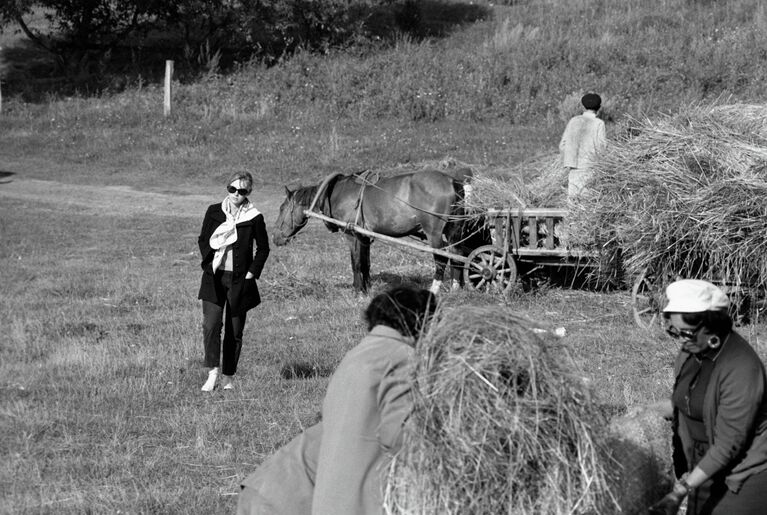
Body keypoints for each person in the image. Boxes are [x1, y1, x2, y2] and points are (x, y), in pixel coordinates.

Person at [237, 285, 437, 515]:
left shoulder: (356, 356)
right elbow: (402, 435)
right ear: (421, 322)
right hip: (294, 501)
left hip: (287, 495)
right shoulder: (400, 357)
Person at [646, 279, 767, 515]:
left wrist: (680, 491)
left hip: (744, 474)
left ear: (713, 327)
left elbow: (727, 446)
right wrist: (644, 412)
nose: (680, 340)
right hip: (702, 469)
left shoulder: (741, 368)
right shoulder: (691, 353)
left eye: (687, 333)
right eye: (673, 331)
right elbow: (687, 403)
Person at [197, 171, 269, 392]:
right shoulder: (213, 211)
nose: (236, 194)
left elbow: (264, 248)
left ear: (248, 192)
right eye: (232, 189)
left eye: (242, 191)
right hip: (215, 278)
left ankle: (228, 377)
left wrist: (251, 273)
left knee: (234, 331)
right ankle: (212, 372)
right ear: (227, 188)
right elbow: (203, 239)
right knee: (211, 325)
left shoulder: (254, 217)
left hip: (240, 281)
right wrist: (209, 264)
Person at [559, 92, 607, 197]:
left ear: (582, 106)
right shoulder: (599, 124)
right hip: (590, 168)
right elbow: (601, 147)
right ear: (599, 108)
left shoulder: (573, 121)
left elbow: (563, 145)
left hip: (573, 167)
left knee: (573, 200)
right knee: (586, 202)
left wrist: (568, 159)